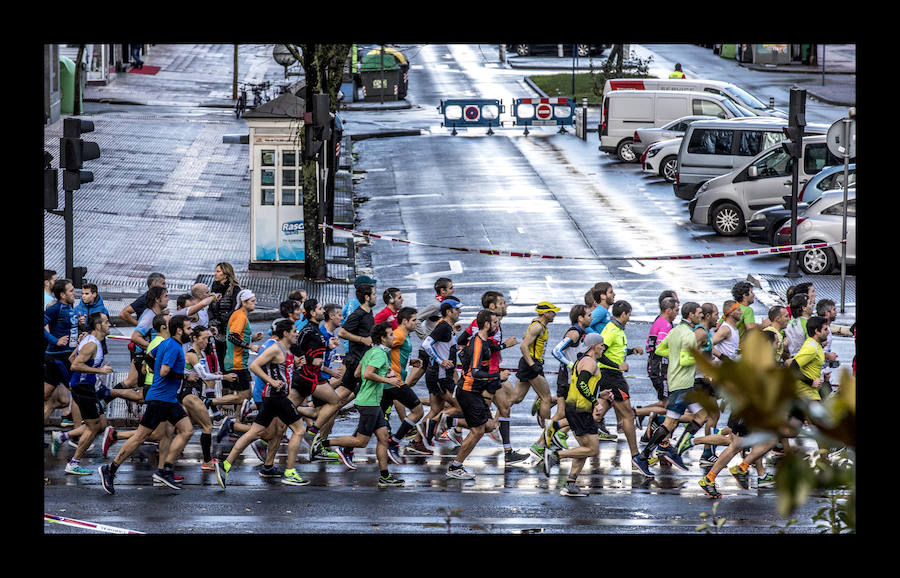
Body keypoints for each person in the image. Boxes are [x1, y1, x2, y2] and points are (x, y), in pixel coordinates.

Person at [99, 315, 196, 494]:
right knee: (141, 437)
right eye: (189, 329)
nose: (191, 332)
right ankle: (110, 469)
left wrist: (153, 368)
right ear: (179, 330)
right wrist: (185, 376)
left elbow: (149, 357)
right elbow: (165, 371)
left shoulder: (165, 343)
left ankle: (164, 470)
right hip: (160, 400)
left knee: (183, 430)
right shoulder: (174, 347)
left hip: (167, 399)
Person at [217, 320, 311, 488]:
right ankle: (290, 472)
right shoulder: (275, 348)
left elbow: (283, 371)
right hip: (276, 397)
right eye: (294, 331)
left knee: (255, 433)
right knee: (299, 429)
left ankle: (226, 464)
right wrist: (271, 381)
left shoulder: (286, 350)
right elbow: (254, 366)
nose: (297, 334)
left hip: (273, 398)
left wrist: (295, 365)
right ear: (285, 333)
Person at [326, 322, 406, 487]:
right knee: (361, 442)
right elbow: (368, 373)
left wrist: (381, 373)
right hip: (369, 402)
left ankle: (385, 476)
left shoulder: (371, 351)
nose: (393, 337)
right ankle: (322, 444)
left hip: (370, 401)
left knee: (383, 437)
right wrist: (388, 379)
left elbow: (357, 373)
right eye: (391, 335)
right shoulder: (380, 354)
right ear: (383, 338)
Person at [542, 333, 610, 496]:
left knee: (585, 448)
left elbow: (583, 385)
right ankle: (555, 455)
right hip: (581, 411)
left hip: (576, 409)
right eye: (602, 345)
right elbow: (581, 384)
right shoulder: (589, 362)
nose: (603, 348)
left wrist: (600, 396)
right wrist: (595, 403)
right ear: (594, 346)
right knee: (592, 450)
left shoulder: (583, 360)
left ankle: (571, 483)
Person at [591, 300, 649, 477]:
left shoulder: (616, 330)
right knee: (628, 416)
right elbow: (599, 354)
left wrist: (632, 351)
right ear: (623, 314)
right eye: (629, 314)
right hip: (612, 377)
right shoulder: (611, 330)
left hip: (612, 376)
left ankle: (553, 432)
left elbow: (616, 350)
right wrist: (617, 366)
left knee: (595, 413)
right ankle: (635, 456)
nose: (629, 318)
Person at [446, 309, 501, 480]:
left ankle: (449, 420)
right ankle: (455, 467)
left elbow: (488, 349)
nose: (496, 325)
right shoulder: (478, 343)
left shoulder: (483, 340)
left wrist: (505, 345)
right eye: (494, 322)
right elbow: (475, 372)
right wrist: (497, 376)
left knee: (490, 425)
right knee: (477, 431)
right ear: (486, 324)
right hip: (469, 391)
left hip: (475, 391)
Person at [58, 312, 115, 476]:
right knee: (94, 426)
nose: (109, 324)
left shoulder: (91, 341)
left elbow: (70, 358)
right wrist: (99, 371)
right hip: (82, 388)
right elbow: (74, 365)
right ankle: (74, 463)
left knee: (101, 423)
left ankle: (63, 437)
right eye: (106, 322)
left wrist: (92, 373)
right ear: (99, 326)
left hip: (85, 386)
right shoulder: (92, 344)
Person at [207, 289, 263, 414]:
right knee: (244, 396)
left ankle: (238, 421)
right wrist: (250, 346)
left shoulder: (240, 315)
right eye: (253, 301)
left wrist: (253, 338)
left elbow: (237, 336)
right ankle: (211, 402)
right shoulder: (240, 316)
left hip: (237, 361)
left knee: (245, 396)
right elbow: (232, 337)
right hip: (236, 362)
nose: (256, 303)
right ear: (244, 302)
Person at [420, 298, 464, 446]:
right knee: (459, 406)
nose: (459, 312)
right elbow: (426, 344)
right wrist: (441, 361)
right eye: (457, 310)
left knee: (436, 408)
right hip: (441, 375)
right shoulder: (444, 326)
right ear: (448, 312)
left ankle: (417, 442)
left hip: (439, 375)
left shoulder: (448, 327)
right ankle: (436, 427)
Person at [44, 278, 85, 427]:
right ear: (62, 294)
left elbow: (70, 329)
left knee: (48, 395)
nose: (75, 293)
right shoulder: (56, 308)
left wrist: (80, 324)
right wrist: (55, 340)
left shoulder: (70, 309)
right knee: (78, 391)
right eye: (71, 291)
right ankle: (76, 435)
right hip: (59, 357)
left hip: (64, 356)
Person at [208, 262, 242, 365]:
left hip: (229, 330)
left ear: (226, 274)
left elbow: (237, 308)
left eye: (218, 271)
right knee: (221, 361)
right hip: (217, 330)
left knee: (230, 362)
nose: (215, 274)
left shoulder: (234, 289)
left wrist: (226, 317)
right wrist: (212, 321)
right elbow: (210, 307)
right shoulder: (214, 287)